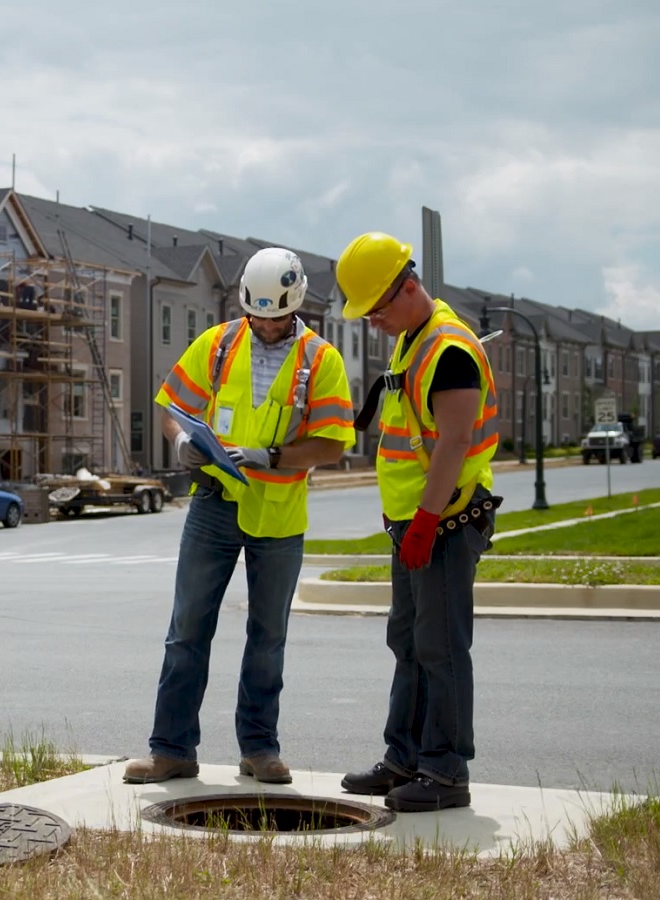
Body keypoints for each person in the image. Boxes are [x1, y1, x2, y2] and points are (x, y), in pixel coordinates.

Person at [124, 247, 356, 786]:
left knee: (267, 635)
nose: (265, 326)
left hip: (277, 514)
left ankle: (260, 748)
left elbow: (331, 446)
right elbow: (172, 408)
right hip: (213, 504)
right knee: (187, 630)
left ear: (295, 305)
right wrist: (181, 438)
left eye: (275, 318)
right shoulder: (221, 342)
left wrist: (270, 457)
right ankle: (171, 749)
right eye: (257, 314)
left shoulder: (321, 361)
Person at [333, 231, 501, 812]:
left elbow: (454, 443)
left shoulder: (449, 349)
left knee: (442, 647)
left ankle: (445, 772)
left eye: (377, 308)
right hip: (414, 523)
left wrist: (426, 522)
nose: (372, 322)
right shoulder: (413, 338)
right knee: (407, 641)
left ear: (408, 288)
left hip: (446, 524)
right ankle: (403, 758)